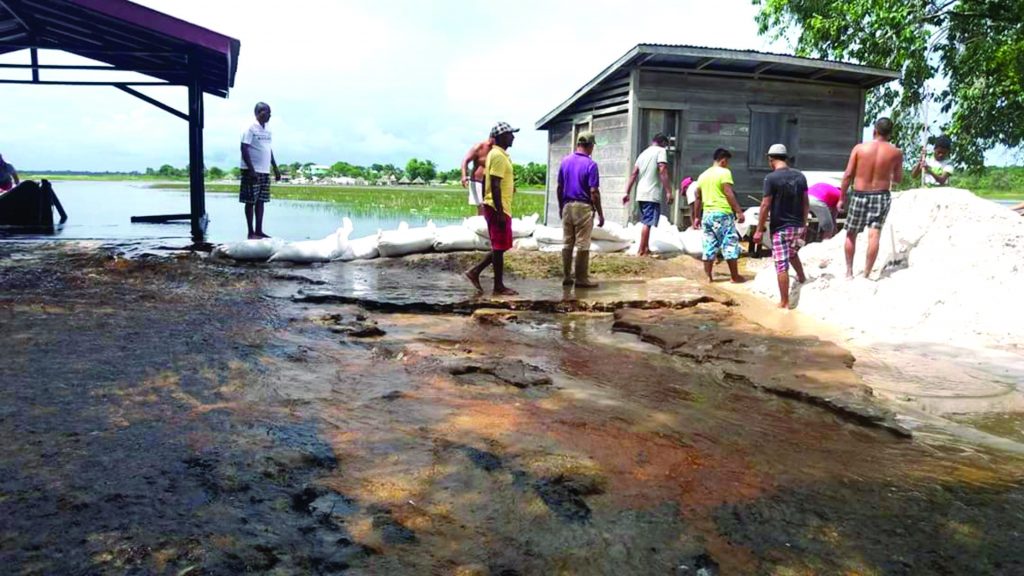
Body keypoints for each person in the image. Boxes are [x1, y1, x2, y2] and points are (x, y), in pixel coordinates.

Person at [839, 117, 904, 279]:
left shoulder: (860, 149)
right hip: (881, 195)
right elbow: (897, 179)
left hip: (860, 194)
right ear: (890, 134)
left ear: (874, 130)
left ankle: (849, 272)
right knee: (874, 235)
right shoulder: (895, 152)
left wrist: (841, 197)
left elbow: (848, 174)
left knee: (851, 233)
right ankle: (866, 274)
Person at [465, 122, 519, 296]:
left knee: (501, 246)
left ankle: (477, 273)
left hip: (497, 206)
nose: (513, 137)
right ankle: (497, 285)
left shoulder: (498, 155)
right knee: (499, 246)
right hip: (498, 208)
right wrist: (499, 209)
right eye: (510, 134)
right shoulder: (497, 155)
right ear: (502, 137)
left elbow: (488, 182)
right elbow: (494, 184)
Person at [753, 144, 809, 308]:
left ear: (771, 159)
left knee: (781, 263)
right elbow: (806, 203)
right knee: (792, 253)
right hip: (797, 226)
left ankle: (784, 301)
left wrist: (758, 230)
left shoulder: (771, 178)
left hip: (781, 228)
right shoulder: (800, 176)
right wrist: (804, 224)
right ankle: (802, 277)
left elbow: (765, 205)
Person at [556, 131, 605, 288]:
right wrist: (600, 213)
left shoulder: (565, 161)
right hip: (583, 207)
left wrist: (560, 206)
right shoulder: (591, 165)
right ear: (590, 146)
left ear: (578, 144)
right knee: (583, 243)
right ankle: (581, 278)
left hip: (567, 205)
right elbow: (594, 192)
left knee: (567, 242)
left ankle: (566, 276)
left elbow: (559, 187)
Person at [694, 148, 746, 283]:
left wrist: (696, 217)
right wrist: (739, 211)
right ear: (723, 160)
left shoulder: (703, 175)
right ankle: (734, 276)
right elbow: (728, 193)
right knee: (729, 243)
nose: (727, 164)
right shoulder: (724, 172)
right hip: (722, 213)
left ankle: (708, 276)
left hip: (707, 215)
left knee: (709, 244)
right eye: (727, 161)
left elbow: (697, 197)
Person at [622, 134, 672, 256]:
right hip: (652, 193)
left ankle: (646, 247)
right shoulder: (661, 151)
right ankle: (641, 251)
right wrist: (669, 191)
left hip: (641, 193)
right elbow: (662, 170)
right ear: (663, 143)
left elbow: (634, 174)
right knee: (648, 223)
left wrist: (627, 192)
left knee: (646, 220)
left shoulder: (643, 154)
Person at [239, 102, 281, 239]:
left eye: (270, 112)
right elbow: (244, 148)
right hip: (251, 170)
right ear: (259, 112)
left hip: (264, 171)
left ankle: (259, 230)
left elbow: (268, 149)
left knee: (261, 201)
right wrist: (251, 170)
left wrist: (275, 167)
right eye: (267, 112)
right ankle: (250, 232)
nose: (269, 115)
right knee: (250, 201)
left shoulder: (268, 129)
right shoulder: (250, 128)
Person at [460, 136, 494, 215]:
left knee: (491, 206)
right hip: (477, 181)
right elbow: (465, 161)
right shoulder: (479, 147)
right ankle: (480, 224)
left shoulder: (497, 149)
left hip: (490, 182)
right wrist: (464, 176)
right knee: (481, 206)